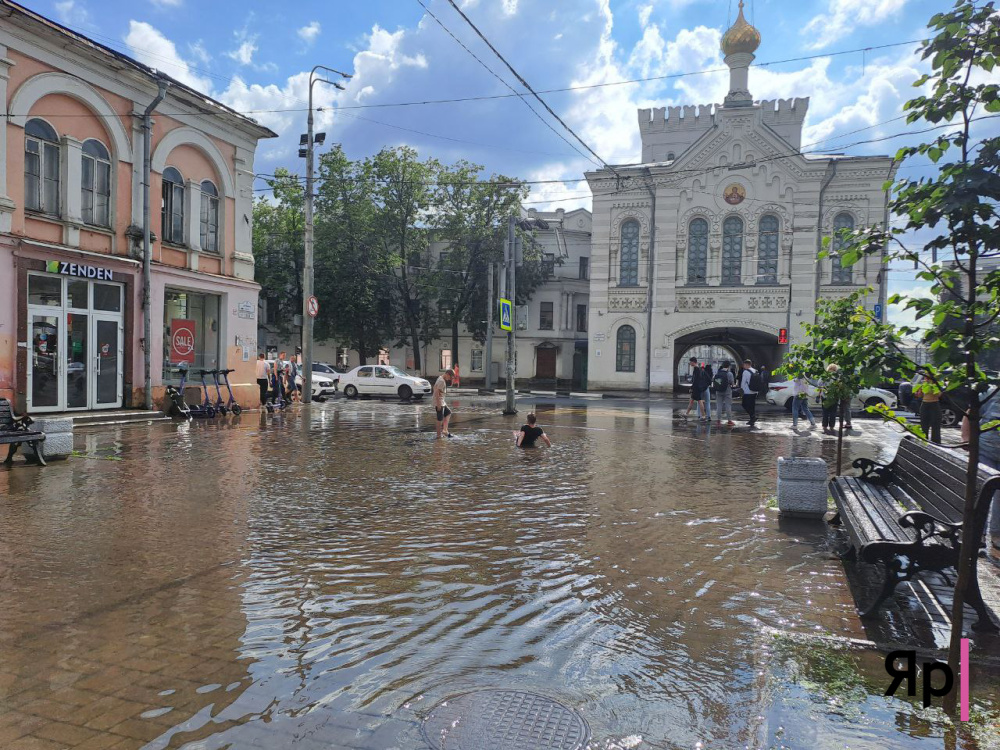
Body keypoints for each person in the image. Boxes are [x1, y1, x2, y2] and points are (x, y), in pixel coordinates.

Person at [914, 375, 942, 444]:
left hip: (934, 403)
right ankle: (924, 441)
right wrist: (918, 391)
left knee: (935, 425)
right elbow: (920, 395)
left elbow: (939, 394)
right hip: (925, 404)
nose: (927, 379)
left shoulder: (936, 383)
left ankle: (936, 443)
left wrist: (932, 386)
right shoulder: (923, 384)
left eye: (928, 377)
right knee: (924, 425)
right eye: (926, 378)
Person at [433, 369, 454, 439]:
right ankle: (438, 436)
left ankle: (445, 430)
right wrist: (438, 404)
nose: (449, 379)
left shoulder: (440, 378)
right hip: (439, 402)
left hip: (442, 401)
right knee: (439, 419)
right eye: (450, 377)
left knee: (448, 413)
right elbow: (436, 392)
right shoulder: (441, 381)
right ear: (447, 374)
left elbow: (434, 387)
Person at [820, 364, 840, 434]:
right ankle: (831, 426)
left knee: (825, 412)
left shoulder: (825, 376)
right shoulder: (837, 377)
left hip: (825, 396)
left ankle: (824, 426)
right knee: (833, 412)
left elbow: (819, 383)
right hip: (834, 397)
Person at [715, 361, 735, 426]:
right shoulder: (729, 374)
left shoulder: (718, 372)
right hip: (727, 392)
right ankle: (729, 421)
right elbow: (732, 383)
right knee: (728, 406)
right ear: (728, 366)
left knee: (719, 406)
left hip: (718, 391)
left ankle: (718, 421)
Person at [740, 359, 759, 426]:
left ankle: (753, 417)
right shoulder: (755, 371)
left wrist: (741, 390)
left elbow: (743, 382)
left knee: (744, 404)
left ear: (747, 364)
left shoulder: (745, 372)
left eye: (744, 365)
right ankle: (752, 419)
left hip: (747, 391)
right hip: (755, 391)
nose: (743, 366)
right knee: (752, 406)